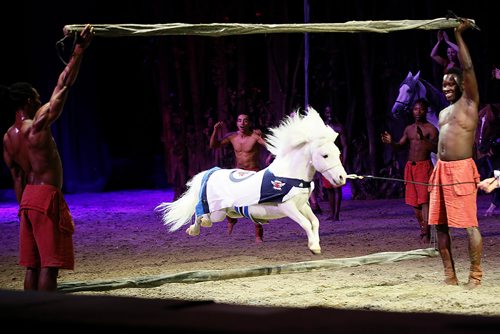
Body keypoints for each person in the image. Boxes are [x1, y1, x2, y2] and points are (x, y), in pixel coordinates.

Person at [1, 24, 94, 291]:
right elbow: (64, 84)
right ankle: (49, 312)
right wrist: (79, 50)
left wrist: (22, 209)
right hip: (46, 197)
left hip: (26, 201)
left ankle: (29, 313)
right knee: (49, 265)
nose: (40, 98)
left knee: (32, 264)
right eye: (37, 97)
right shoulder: (38, 125)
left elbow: (17, 178)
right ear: (30, 100)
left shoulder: (8, 138)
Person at [428, 19, 482, 289]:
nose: (447, 87)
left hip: (461, 170)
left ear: (462, 85)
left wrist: (458, 35)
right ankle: (450, 275)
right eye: (444, 84)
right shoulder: (443, 112)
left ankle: (475, 275)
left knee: (469, 225)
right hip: (441, 171)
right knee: (439, 225)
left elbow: (468, 67)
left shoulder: (469, 104)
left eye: (451, 84)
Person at [381, 98, 438, 244]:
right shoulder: (409, 129)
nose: (418, 112)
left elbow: (437, 149)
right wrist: (391, 142)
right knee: (414, 203)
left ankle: (426, 233)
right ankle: (423, 229)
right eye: (415, 109)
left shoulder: (431, 129)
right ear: (412, 111)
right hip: (410, 168)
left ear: (426, 111)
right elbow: (400, 146)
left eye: (421, 109)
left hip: (424, 167)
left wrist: (423, 139)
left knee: (425, 201)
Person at [209, 113, 268, 243]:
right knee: (229, 198)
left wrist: (263, 137)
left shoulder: (254, 136)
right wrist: (215, 130)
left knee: (254, 203)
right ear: (237, 123)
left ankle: (258, 235)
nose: (242, 123)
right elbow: (214, 145)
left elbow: (269, 146)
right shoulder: (232, 137)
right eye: (240, 121)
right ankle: (231, 219)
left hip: (253, 173)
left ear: (249, 123)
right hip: (238, 174)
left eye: (245, 121)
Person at [322, 106, 348, 221]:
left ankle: (336, 214)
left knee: (337, 187)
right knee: (329, 188)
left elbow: (345, 146)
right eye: (327, 112)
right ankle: (332, 213)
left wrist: (344, 162)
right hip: (326, 160)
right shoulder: (322, 128)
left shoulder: (338, 127)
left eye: (331, 112)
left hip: (336, 159)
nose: (329, 114)